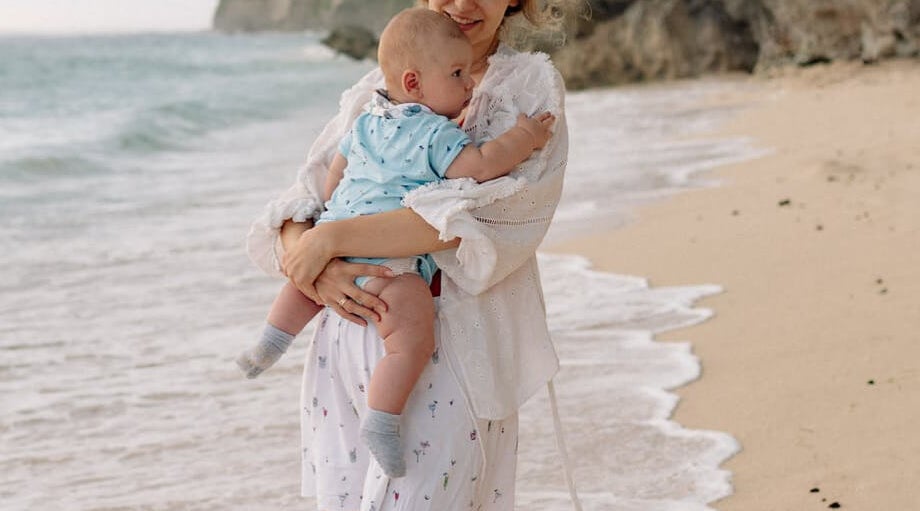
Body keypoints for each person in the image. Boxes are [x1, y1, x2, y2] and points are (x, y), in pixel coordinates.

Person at [245, 0, 571, 509]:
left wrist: (330, 242)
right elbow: (302, 202)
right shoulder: (381, 89)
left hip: (452, 348)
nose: (462, 3)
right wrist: (311, 266)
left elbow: (472, 222)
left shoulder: (528, 90)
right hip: (343, 339)